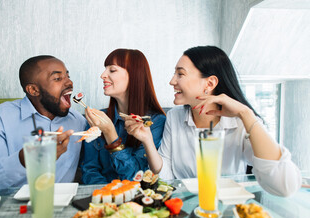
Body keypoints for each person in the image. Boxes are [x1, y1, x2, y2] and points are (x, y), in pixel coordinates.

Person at [124, 46, 301, 197]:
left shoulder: (241, 123)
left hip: (226, 214)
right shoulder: (175, 117)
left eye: (180, 74)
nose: (172, 81)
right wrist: (147, 140)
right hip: (185, 210)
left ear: (209, 83)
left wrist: (246, 113)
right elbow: (167, 177)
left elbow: (285, 186)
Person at [0, 55, 87, 189]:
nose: (69, 83)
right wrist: (23, 160)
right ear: (33, 90)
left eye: (68, 76)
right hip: (8, 206)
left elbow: (93, 167)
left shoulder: (78, 121)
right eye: (58, 78)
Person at [81, 49, 166, 184]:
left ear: (134, 75)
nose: (103, 75)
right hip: (101, 199)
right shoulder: (97, 118)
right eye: (105, 69)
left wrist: (111, 134)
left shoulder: (155, 122)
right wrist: (107, 196)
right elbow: (90, 171)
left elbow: (137, 177)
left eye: (112, 70)